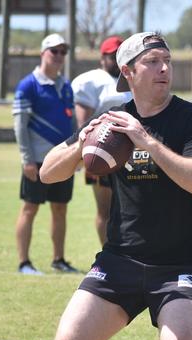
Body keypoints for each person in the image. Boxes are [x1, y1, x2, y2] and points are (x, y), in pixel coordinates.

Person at [39, 32, 192, 340]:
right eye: (152, 62)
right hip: (119, 261)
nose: (164, 68)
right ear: (128, 71)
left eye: (167, 61)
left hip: (180, 265)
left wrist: (145, 140)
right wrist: (82, 144)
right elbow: (47, 172)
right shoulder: (111, 122)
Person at [13, 33, 79, 275]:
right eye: (55, 51)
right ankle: (24, 263)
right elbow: (20, 125)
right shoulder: (28, 85)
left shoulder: (67, 86)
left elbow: (72, 124)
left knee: (60, 208)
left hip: (63, 160)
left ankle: (59, 260)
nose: (59, 56)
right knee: (30, 208)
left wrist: (75, 154)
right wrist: (26, 159)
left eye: (63, 52)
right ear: (43, 53)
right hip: (37, 161)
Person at [71, 35, 132, 245]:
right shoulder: (90, 81)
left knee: (135, 208)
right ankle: (109, 254)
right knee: (105, 210)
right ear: (102, 58)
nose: (116, 60)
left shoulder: (133, 77)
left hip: (133, 152)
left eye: (120, 55)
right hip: (103, 148)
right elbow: (83, 123)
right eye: (112, 55)